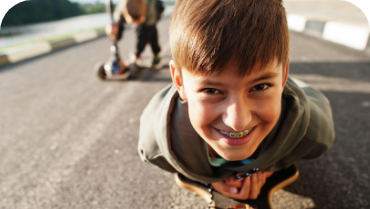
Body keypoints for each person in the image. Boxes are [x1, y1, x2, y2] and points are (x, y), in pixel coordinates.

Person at [138, 0, 335, 201]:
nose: (237, 121)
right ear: (179, 83)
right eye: (211, 90)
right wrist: (207, 178)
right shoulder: (157, 145)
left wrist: (263, 169)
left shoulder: (313, 135)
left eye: (260, 86)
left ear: (284, 76)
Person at [105, 0, 164, 69]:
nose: (136, 23)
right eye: (134, 21)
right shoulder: (120, 11)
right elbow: (117, 36)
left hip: (155, 10)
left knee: (150, 31)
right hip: (137, 14)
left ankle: (156, 53)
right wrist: (112, 33)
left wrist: (136, 55)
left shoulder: (150, 8)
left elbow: (144, 34)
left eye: (138, 20)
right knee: (140, 29)